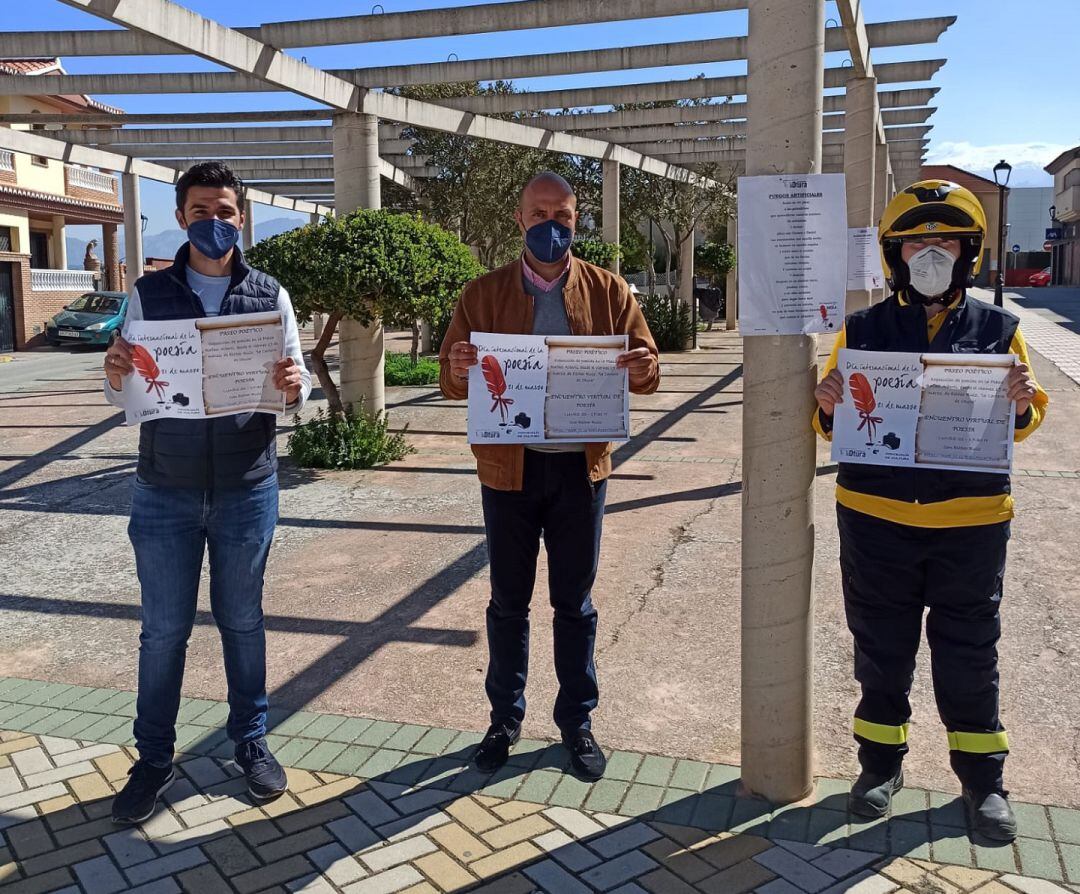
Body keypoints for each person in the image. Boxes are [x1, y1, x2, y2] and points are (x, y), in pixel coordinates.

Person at [813, 180, 1048, 841]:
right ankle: (879, 767)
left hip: (969, 525)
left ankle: (982, 782)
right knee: (880, 653)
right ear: (896, 254)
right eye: (918, 240)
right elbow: (831, 424)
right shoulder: (861, 330)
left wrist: (1023, 398)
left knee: (970, 654)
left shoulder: (1000, 330)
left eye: (945, 240)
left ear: (968, 253)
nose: (931, 252)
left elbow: (1023, 421)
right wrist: (826, 400)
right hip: (875, 519)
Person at [103, 161, 312, 824]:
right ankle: (154, 759)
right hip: (164, 490)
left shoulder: (271, 294)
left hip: (247, 488)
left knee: (243, 621)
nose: (213, 223)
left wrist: (291, 384)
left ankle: (250, 743)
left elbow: (296, 386)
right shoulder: (148, 295)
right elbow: (124, 395)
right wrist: (113, 373)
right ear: (180, 216)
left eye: (224, 211)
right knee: (163, 631)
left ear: (240, 217)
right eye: (200, 210)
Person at [439, 172, 660, 780]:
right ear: (518, 220)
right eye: (539, 214)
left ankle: (576, 722)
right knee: (508, 602)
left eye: (561, 215)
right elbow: (453, 377)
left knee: (574, 602)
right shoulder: (481, 294)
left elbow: (647, 370)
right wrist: (458, 365)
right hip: (507, 473)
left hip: (580, 471)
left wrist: (642, 365)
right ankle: (503, 719)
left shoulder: (610, 290)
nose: (551, 226)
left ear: (576, 219)